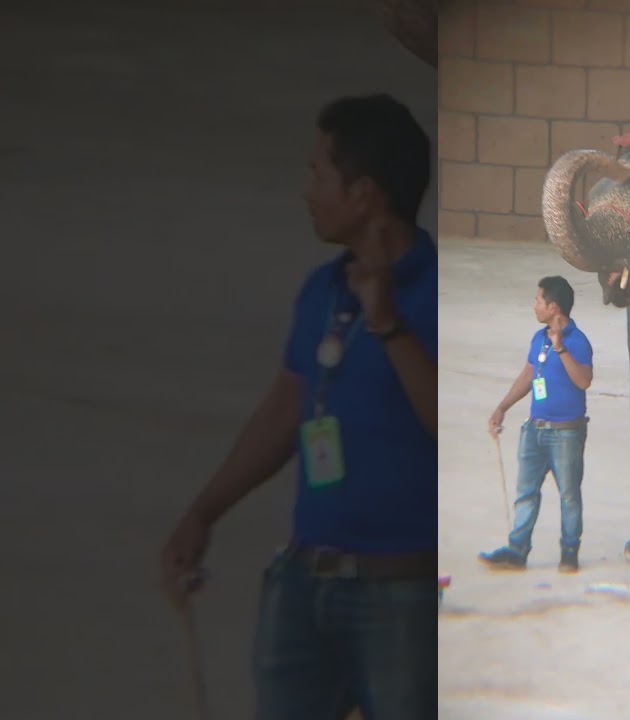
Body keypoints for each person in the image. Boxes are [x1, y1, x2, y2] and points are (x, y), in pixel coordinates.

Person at [158, 93, 436, 720]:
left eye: (319, 174)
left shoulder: (443, 296)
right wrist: (204, 512)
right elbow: (284, 414)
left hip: (403, 597)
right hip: (302, 584)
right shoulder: (322, 291)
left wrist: (389, 326)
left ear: (364, 194)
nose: (307, 191)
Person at [481, 276, 593, 573]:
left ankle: (569, 553)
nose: (534, 305)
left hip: (566, 433)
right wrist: (502, 407)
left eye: (538, 301)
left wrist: (561, 350)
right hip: (534, 430)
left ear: (553, 306)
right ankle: (517, 551)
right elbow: (528, 376)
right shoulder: (538, 337)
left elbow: (583, 381)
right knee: (526, 492)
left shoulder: (578, 342)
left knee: (569, 495)